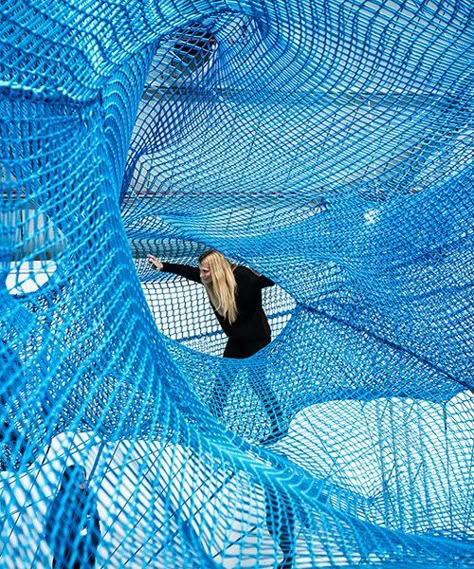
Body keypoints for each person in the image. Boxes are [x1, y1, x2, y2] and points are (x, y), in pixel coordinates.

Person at [148, 250, 287, 443]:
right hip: (237, 340)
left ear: (218, 270)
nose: (201, 275)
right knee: (223, 381)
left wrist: (264, 271)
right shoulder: (211, 280)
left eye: (205, 271)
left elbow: (267, 281)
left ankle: (279, 423)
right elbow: (189, 271)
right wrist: (165, 266)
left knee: (257, 382)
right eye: (201, 271)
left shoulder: (243, 277)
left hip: (257, 339)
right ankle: (209, 423)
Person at [45, 464, 101, 568]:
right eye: (79, 476)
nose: (83, 480)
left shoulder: (89, 500)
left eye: (84, 476)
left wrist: (93, 546)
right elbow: (50, 530)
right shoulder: (60, 501)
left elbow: (96, 526)